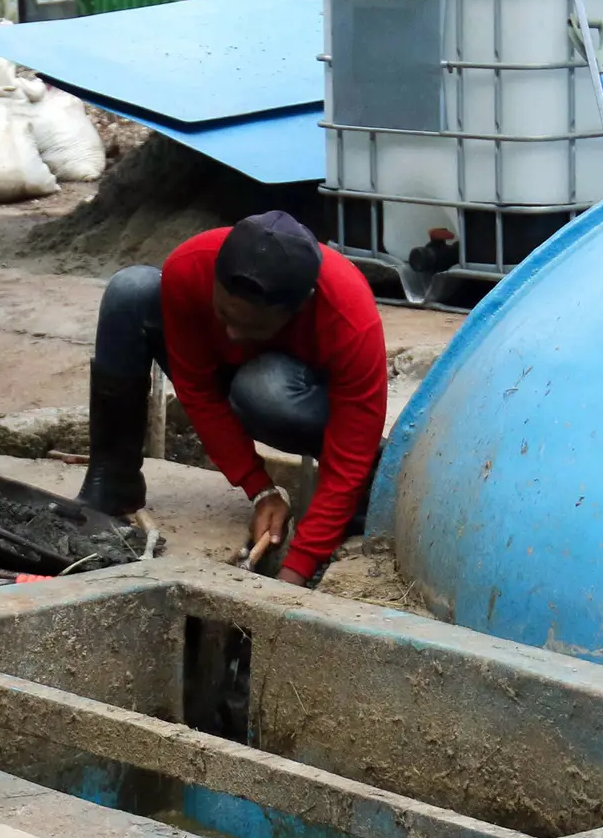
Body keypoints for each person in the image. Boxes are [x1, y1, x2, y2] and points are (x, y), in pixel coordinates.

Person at [78, 211, 387, 586]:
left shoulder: (350, 315)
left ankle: (359, 498)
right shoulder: (191, 266)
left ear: (300, 306)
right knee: (129, 290)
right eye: (223, 313)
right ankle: (112, 480)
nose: (232, 332)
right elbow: (198, 391)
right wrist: (261, 489)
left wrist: (296, 573)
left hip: (299, 397)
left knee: (261, 387)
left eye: (254, 326)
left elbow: (353, 448)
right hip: (229, 376)